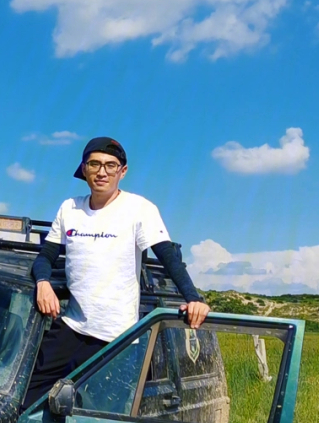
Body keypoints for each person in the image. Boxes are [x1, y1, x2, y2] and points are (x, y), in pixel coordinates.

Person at [24, 136, 210, 407]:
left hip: (117, 341)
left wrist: (193, 298)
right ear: (84, 169)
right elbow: (46, 257)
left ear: (123, 171)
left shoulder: (139, 209)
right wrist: (43, 282)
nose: (102, 172)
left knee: (103, 422)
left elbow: (167, 256)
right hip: (72, 328)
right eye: (95, 164)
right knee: (27, 404)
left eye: (111, 165)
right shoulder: (69, 208)